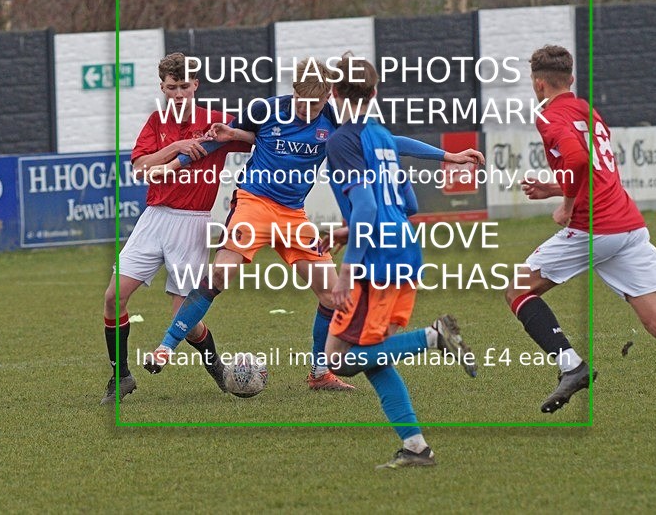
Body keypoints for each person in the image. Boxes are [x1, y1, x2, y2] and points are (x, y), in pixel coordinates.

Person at [142, 57, 485, 392]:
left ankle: (320, 373)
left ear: (328, 96)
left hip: (294, 215)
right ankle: (167, 346)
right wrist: (176, 164)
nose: (307, 110)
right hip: (254, 203)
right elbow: (221, 138)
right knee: (219, 274)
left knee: (333, 296)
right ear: (293, 92)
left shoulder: (334, 119)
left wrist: (448, 156)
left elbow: (389, 143)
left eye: (315, 103)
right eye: (302, 102)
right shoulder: (266, 109)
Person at [504, 44, 656, 427]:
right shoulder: (588, 110)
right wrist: (555, 189)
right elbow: (597, 170)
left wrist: (566, 205)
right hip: (628, 226)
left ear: (538, 85)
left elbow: (579, 161)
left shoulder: (549, 116)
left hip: (596, 227)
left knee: (517, 288)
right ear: (570, 79)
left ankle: (571, 366)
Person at [324, 53, 477, 469]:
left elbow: (368, 206)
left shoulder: (341, 141)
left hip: (376, 258)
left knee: (337, 358)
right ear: (375, 93)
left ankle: (434, 337)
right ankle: (415, 446)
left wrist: (346, 269)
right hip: (404, 247)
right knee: (374, 358)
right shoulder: (379, 134)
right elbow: (406, 201)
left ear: (333, 92)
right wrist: (449, 157)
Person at [100, 52, 253, 405]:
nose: (179, 93)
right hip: (154, 218)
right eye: (173, 87)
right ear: (163, 88)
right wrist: (175, 147)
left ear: (196, 84)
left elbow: (255, 139)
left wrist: (235, 134)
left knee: (184, 319)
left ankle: (216, 366)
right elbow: (138, 166)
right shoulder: (157, 122)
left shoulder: (215, 122)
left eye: (185, 86)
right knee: (112, 296)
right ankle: (120, 376)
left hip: (192, 223)